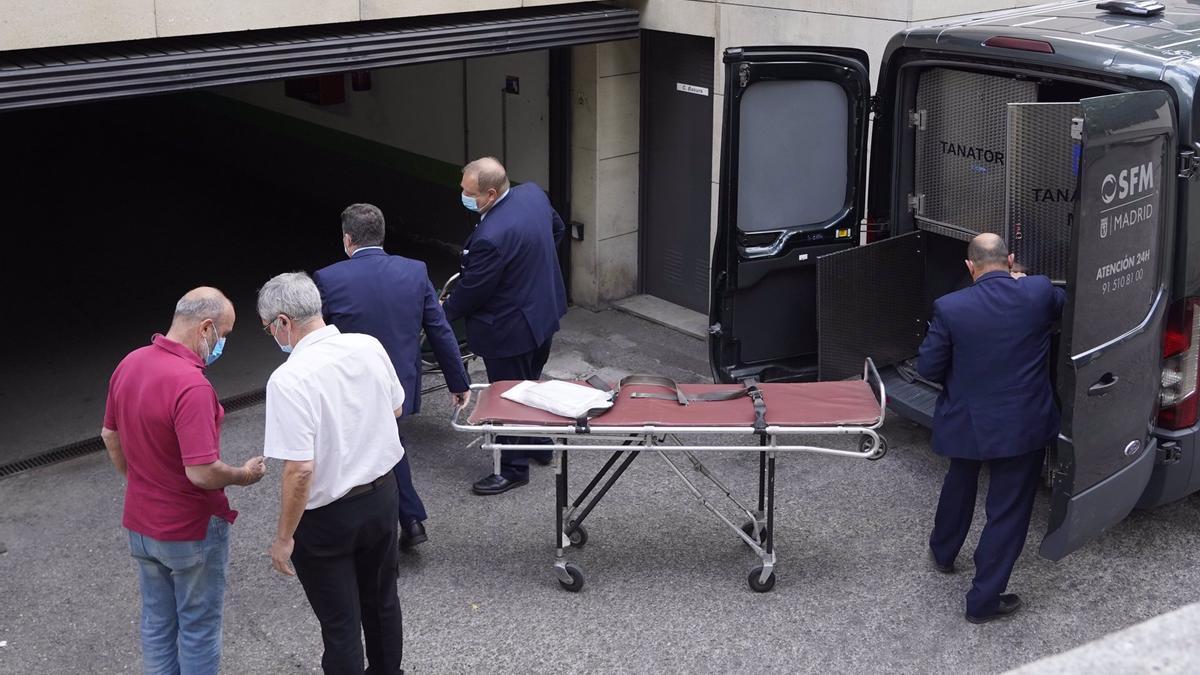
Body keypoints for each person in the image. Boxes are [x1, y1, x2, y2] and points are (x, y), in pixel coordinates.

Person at [100, 287, 267, 675]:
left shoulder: (130, 363)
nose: (222, 344)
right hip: (189, 529)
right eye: (223, 335)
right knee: (197, 629)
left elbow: (110, 435)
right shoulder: (191, 385)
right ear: (206, 328)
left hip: (141, 524)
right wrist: (244, 475)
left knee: (157, 624)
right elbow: (202, 471)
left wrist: (142, 481)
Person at [259, 272, 405, 674]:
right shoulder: (368, 346)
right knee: (383, 603)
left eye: (270, 327)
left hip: (326, 517)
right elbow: (395, 408)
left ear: (284, 323)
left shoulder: (288, 378)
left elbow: (300, 470)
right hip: (381, 495)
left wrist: (283, 537)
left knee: (340, 624)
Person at [917, 232, 1065, 624]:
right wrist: (1025, 283)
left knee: (960, 481)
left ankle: (944, 552)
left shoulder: (950, 307)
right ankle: (983, 602)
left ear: (970, 267)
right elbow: (1063, 307)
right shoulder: (1037, 291)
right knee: (1008, 511)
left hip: (968, 419)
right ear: (1011, 260)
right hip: (1022, 424)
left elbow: (928, 368)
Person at [314, 203, 471, 551]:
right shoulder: (415, 271)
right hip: (400, 381)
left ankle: (390, 527)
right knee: (387, 444)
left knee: (367, 453)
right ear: (382, 235)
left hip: (350, 386)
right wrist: (458, 382)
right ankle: (411, 519)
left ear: (347, 239)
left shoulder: (328, 278)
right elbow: (440, 331)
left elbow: (317, 337)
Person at [443, 156, 568, 495]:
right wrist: (529, 269)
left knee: (507, 395)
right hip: (543, 313)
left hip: (507, 328)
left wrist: (441, 313)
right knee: (531, 383)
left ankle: (512, 469)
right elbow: (557, 230)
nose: (465, 197)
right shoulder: (533, 195)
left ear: (492, 193)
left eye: (470, 193)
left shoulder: (491, 236)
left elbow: (472, 290)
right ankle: (539, 444)